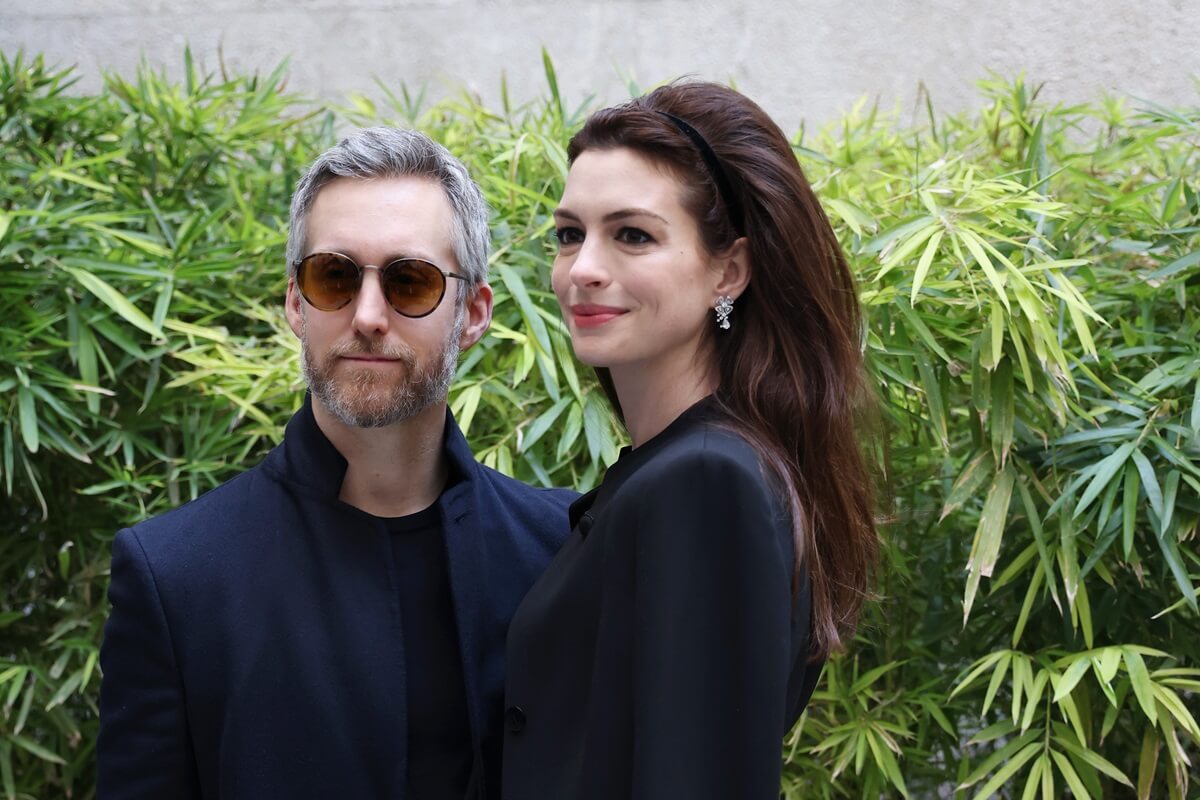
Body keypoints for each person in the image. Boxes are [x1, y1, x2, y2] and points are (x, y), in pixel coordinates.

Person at [97, 127, 575, 799]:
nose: (369, 315)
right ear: (296, 303)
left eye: (410, 282)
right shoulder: (176, 575)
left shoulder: (563, 550)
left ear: (473, 313)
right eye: (334, 277)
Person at [502, 82, 880, 799]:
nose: (582, 268)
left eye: (633, 235)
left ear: (728, 271)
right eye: (568, 233)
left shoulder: (708, 482)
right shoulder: (679, 470)